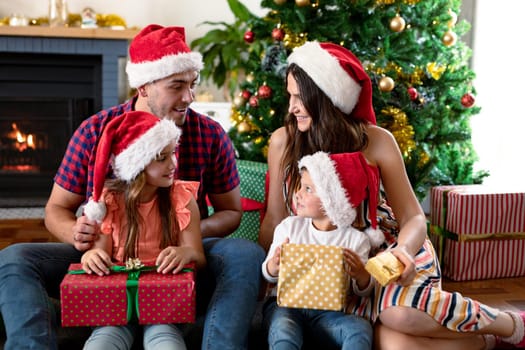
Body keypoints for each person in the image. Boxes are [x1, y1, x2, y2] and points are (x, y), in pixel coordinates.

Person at [0, 24, 265, 350]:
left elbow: (231, 212)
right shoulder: (94, 131)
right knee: (15, 258)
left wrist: (182, 233)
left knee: (245, 254)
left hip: (180, 259)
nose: (189, 97)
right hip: (106, 253)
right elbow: (56, 209)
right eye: (176, 86)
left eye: (192, 85)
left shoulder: (209, 134)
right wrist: (78, 236)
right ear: (143, 86)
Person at [258, 40, 525, 350]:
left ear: (325, 97)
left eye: (298, 97)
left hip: (388, 249)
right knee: (392, 343)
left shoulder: (377, 140)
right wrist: (266, 280)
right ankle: (486, 341)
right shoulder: (284, 141)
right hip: (331, 261)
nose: (290, 107)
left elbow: (413, 216)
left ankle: (510, 324)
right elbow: (275, 218)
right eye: (289, 95)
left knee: (399, 316)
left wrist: (402, 252)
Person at [79, 111, 206, 349]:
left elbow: (198, 256)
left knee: (166, 343)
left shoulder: (181, 198)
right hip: (116, 300)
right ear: (136, 166)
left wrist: (186, 253)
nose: (173, 164)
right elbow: (99, 252)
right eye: (161, 158)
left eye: (173, 154)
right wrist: (91, 256)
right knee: (102, 344)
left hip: (165, 301)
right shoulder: (110, 201)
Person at [262, 151, 385, 350]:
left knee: (359, 328)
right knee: (283, 331)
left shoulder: (355, 240)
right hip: (286, 308)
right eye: (301, 186)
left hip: (329, 315)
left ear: (332, 201)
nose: (298, 194)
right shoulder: (289, 227)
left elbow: (363, 290)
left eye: (308, 189)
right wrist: (274, 265)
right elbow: (267, 275)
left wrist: (361, 274)